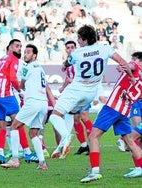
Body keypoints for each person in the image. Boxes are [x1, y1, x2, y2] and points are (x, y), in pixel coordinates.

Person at [49, 25, 135, 160]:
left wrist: (64, 65)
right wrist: (131, 77)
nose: (77, 41)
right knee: (71, 115)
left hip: (77, 89)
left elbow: (67, 63)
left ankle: (65, 137)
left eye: (79, 38)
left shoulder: (77, 53)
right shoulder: (105, 48)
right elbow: (123, 62)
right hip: (90, 93)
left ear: (84, 40)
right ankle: (63, 145)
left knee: (55, 116)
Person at [80, 53, 142, 183]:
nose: (131, 60)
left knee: (93, 136)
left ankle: (94, 172)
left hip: (113, 107)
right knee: (129, 140)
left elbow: (129, 65)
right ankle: (140, 167)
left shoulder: (135, 66)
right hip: (125, 110)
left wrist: (125, 66)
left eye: (134, 59)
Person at [0, 44, 55, 170]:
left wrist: (19, 87)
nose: (25, 54)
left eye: (28, 52)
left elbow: (21, 85)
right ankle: (42, 163)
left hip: (33, 102)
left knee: (14, 126)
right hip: (43, 103)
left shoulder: (27, 67)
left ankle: (14, 159)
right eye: (25, 52)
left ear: (34, 55)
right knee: (33, 133)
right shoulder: (40, 68)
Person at [0, 39, 38, 164]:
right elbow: (12, 78)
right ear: (9, 47)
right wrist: (19, 89)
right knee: (18, 123)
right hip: (6, 96)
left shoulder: (1, 60)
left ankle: (0, 154)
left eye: (20, 46)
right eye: (16, 46)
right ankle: (27, 152)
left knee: (2, 127)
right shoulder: (13, 60)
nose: (19, 48)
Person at [116, 52, 142, 152]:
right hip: (135, 103)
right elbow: (125, 66)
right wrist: (119, 67)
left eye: (134, 59)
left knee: (139, 134)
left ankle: (124, 139)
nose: (132, 61)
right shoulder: (134, 68)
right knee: (138, 131)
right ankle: (125, 139)